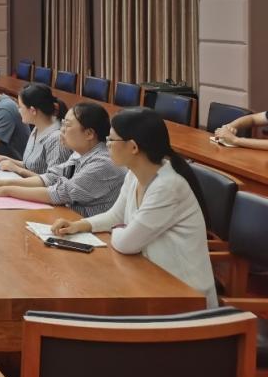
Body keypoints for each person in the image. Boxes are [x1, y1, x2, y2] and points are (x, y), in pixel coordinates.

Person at [52, 108, 216, 307]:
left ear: (133, 147)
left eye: (111, 140)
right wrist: (79, 225)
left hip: (185, 296)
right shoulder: (134, 174)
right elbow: (115, 216)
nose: (107, 144)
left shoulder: (168, 186)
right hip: (150, 276)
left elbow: (126, 244)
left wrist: (119, 229)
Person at [0, 102, 125, 216]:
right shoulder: (80, 153)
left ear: (89, 134)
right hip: (70, 219)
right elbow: (50, 178)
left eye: (67, 125)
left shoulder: (103, 163)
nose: (62, 130)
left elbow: (58, 194)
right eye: (63, 123)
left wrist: (8, 191)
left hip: (93, 231)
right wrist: (5, 183)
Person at [0, 83, 71, 177]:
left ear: (33, 110)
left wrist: (17, 169)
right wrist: (5, 159)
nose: (19, 110)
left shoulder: (57, 139)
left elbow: (55, 180)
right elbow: (30, 166)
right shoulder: (37, 128)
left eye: (21, 107)